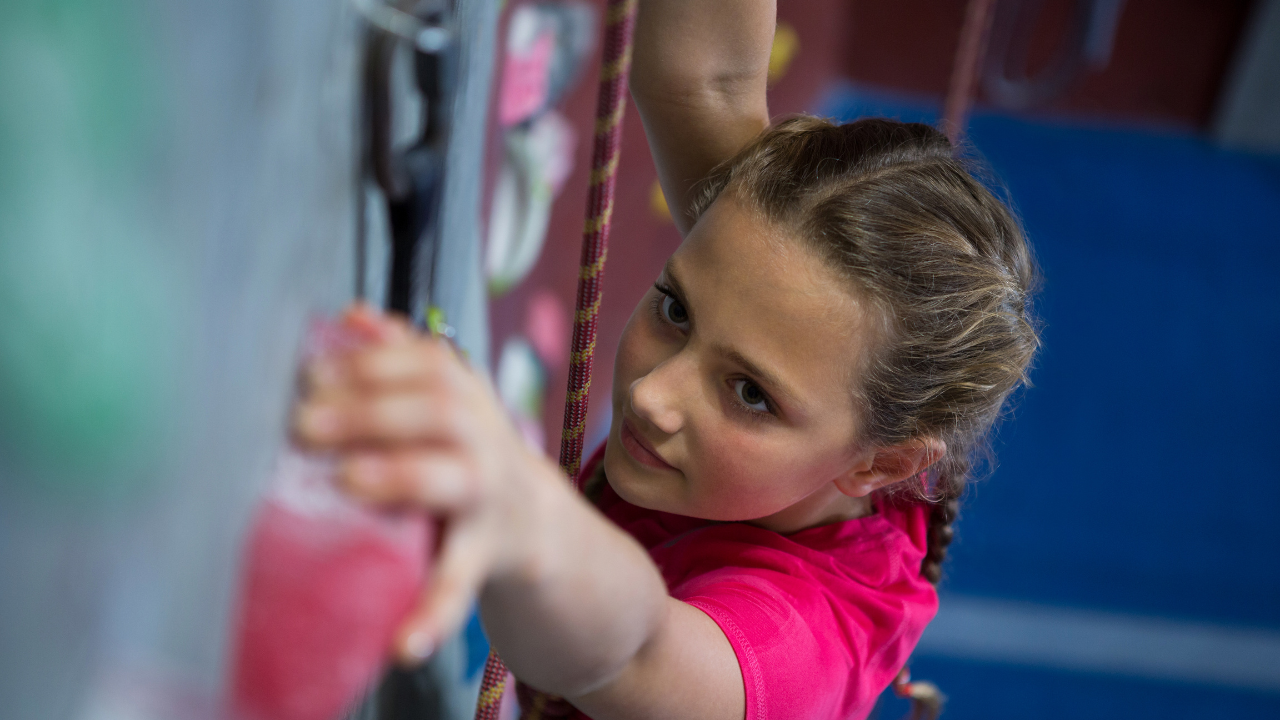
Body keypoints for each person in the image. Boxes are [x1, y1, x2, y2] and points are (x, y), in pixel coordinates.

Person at [294, 0, 1039, 717]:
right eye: (676, 310)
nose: (653, 395)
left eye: (750, 394)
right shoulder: (790, 311)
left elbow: (635, 651)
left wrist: (522, 514)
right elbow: (703, 81)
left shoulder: (796, 647)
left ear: (878, 467)